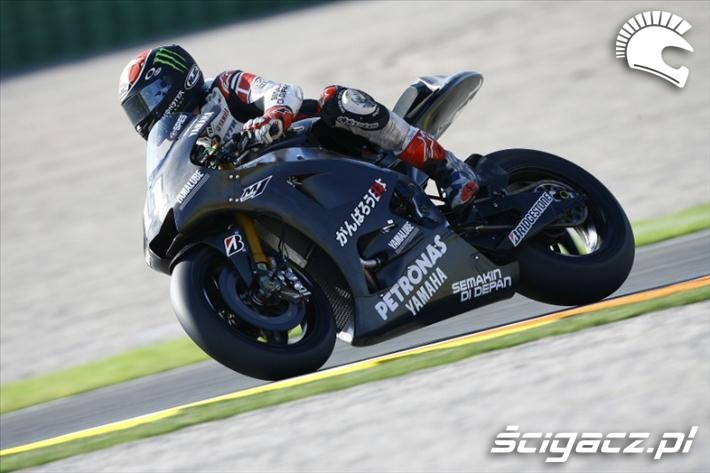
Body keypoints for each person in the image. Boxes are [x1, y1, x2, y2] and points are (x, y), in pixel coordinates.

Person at [118, 44, 479, 209]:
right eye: (136, 109)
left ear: (174, 80)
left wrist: (271, 120)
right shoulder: (181, 143)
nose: (144, 114)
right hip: (273, 187)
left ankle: (448, 168)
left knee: (338, 100)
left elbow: (283, 92)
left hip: (317, 140)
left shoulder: (224, 86)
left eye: (147, 99)